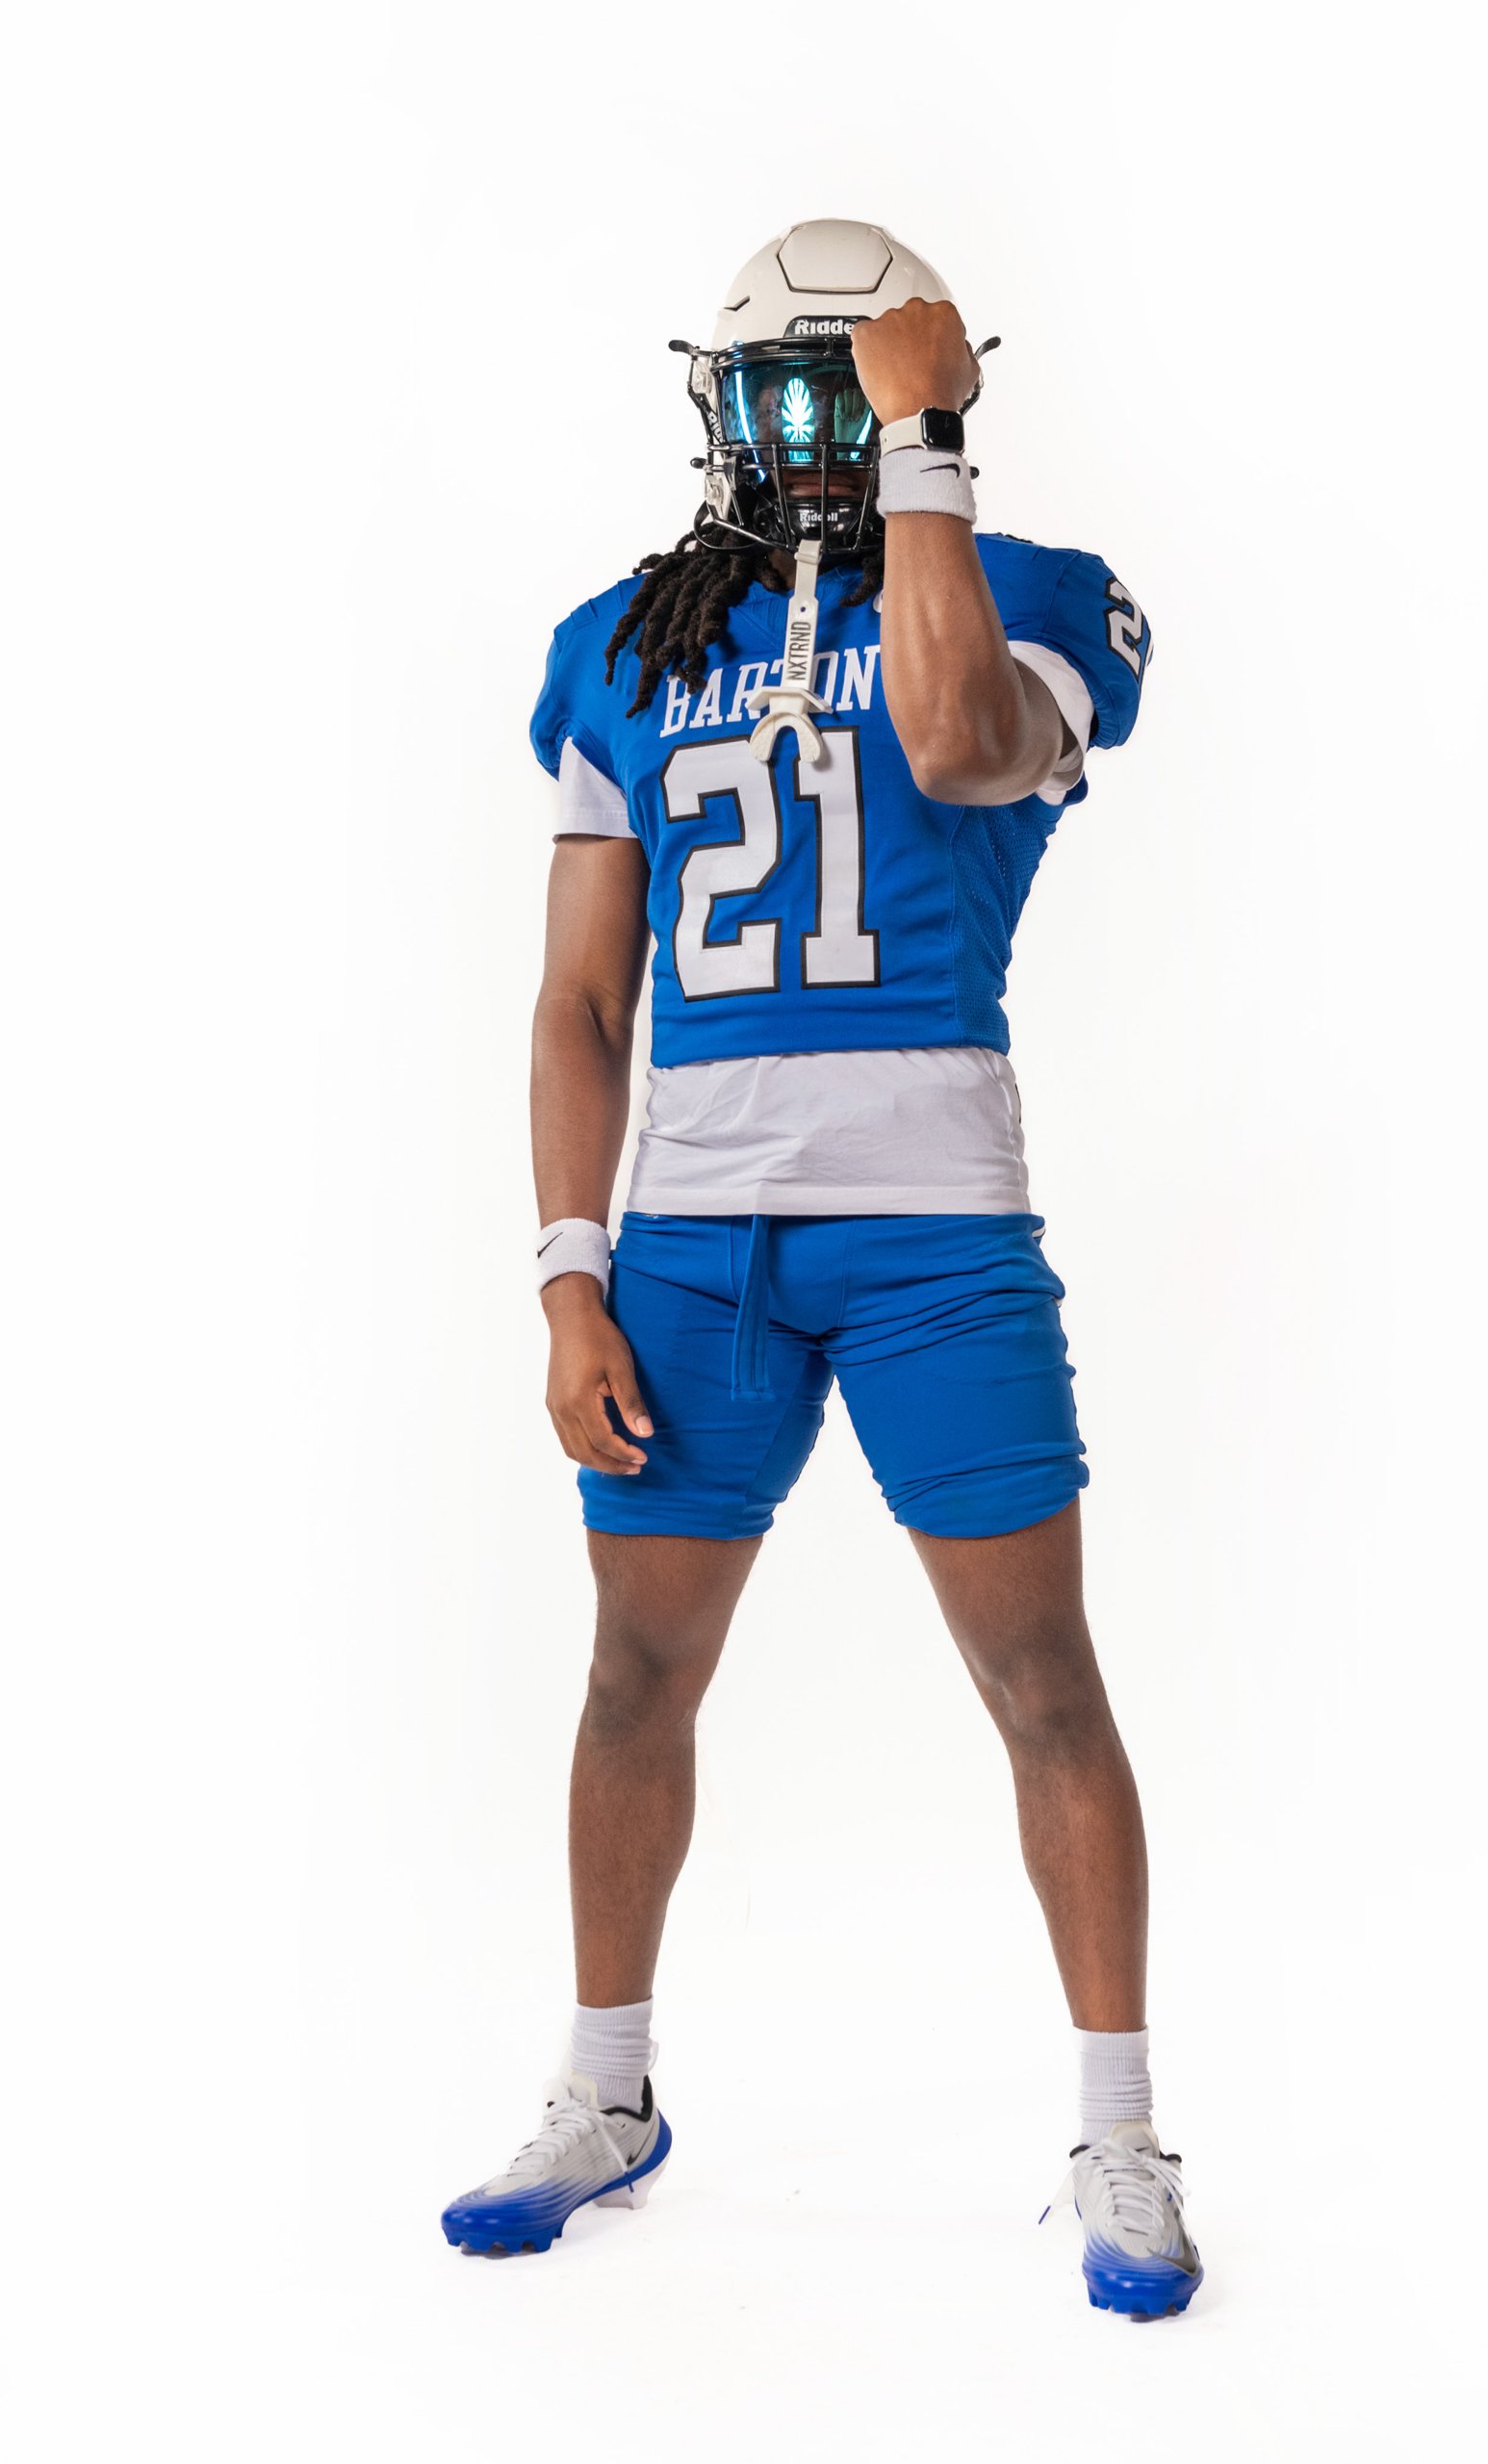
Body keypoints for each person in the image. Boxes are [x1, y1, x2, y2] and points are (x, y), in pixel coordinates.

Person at [441, 219, 1201, 2319]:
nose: (809, 433)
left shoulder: (1026, 593)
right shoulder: (623, 640)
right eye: (776, 391)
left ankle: (1120, 2130)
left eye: (847, 390)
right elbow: (577, 1001)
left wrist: (924, 453)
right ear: (717, 403)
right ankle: (605, 2090)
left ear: (926, 385)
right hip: (689, 1245)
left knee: (1040, 1680)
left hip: (938, 1235)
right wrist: (566, 1271)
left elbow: (953, 744)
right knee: (633, 1673)